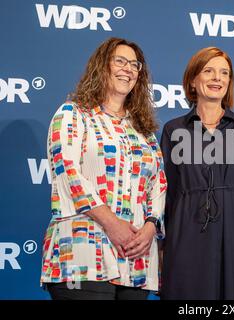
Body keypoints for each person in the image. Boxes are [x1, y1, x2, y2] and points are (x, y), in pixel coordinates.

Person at [40, 37, 167, 300]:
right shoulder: (73, 114)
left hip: (136, 261)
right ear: (102, 66)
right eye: (120, 61)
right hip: (82, 254)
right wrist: (112, 224)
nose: (128, 69)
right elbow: (68, 175)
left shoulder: (144, 130)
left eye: (135, 64)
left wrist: (151, 225)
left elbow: (159, 184)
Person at [160, 47, 234, 299]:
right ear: (192, 80)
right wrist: (160, 249)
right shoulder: (173, 129)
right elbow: (166, 194)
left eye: (224, 73)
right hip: (186, 232)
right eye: (208, 71)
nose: (217, 78)